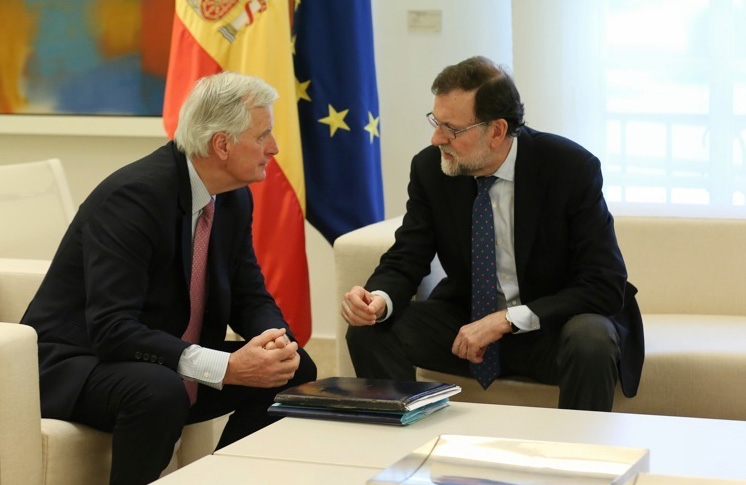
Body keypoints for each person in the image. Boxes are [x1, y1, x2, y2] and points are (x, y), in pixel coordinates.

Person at [21, 71, 317, 485]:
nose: (274, 147)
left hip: (159, 358)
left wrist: (276, 344)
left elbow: (250, 295)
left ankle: (224, 478)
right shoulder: (134, 198)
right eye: (263, 135)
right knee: (158, 390)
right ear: (222, 144)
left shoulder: (232, 198)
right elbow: (112, 330)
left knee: (295, 369)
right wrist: (225, 366)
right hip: (77, 362)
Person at [341, 56, 643, 412]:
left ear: (497, 131)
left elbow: (604, 283)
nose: (437, 138)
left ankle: (579, 459)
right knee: (371, 329)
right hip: (468, 325)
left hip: (551, 327)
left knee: (591, 339)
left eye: (451, 129)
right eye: (436, 122)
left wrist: (506, 320)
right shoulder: (432, 169)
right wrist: (378, 298)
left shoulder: (570, 168)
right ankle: (407, 447)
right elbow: (408, 254)